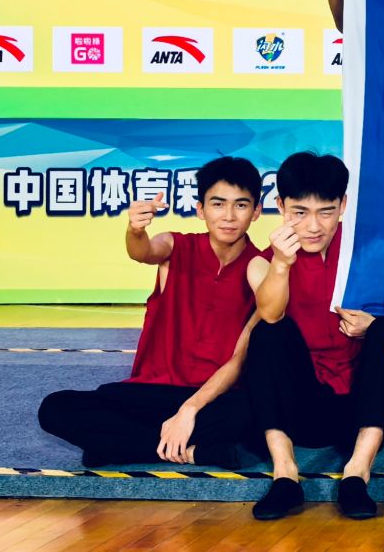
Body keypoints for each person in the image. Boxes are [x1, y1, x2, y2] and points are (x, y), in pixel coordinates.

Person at [38, 157, 264, 469]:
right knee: (55, 407)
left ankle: (119, 446)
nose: (228, 216)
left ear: (256, 211)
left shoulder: (261, 267)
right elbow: (142, 251)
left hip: (212, 398)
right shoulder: (175, 246)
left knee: (250, 411)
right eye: (218, 204)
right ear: (200, 209)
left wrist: (189, 410)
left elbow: (240, 360)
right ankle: (196, 452)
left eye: (240, 205)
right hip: (151, 391)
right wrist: (135, 229)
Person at [238, 153, 384, 521]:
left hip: (363, 408)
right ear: (281, 206)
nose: (313, 226)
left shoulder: (372, 252)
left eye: (326, 212)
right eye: (300, 212)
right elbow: (271, 313)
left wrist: (375, 326)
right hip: (302, 408)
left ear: (343, 205)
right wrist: (282, 264)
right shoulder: (263, 261)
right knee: (266, 333)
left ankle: (356, 475)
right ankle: (285, 475)